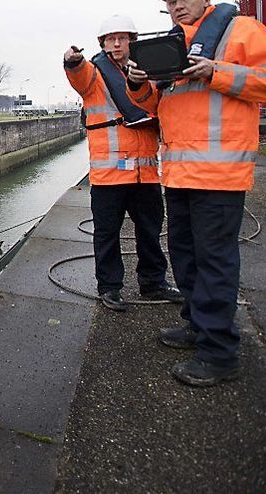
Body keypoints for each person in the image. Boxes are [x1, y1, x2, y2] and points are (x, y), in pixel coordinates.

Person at [126, 0, 266, 387]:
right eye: (171, 1)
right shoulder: (170, 46)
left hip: (220, 173)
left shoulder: (241, 30)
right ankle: (196, 324)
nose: (177, 6)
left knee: (215, 262)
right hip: (181, 172)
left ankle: (219, 352)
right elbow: (162, 102)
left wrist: (216, 72)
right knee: (185, 257)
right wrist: (137, 86)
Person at [63, 16, 180, 312]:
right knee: (106, 234)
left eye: (123, 38)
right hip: (109, 175)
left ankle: (153, 282)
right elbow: (79, 75)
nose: (117, 43)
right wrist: (72, 62)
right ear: (102, 44)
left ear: (132, 41)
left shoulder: (147, 72)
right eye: (110, 38)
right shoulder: (94, 73)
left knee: (150, 232)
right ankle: (110, 287)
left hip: (146, 174)